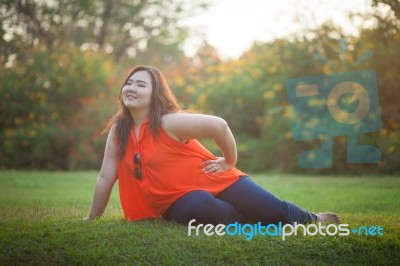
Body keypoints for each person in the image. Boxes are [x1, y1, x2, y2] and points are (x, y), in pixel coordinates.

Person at [86, 65, 340, 225]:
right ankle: (246, 220)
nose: (131, 88)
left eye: (140, 84)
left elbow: (219, 126)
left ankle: (311, 219)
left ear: (156, 95)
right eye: (128, 83)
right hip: (181, 199)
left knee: (272, 210)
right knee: (198, 206)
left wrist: (229, 161)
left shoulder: (169, 122)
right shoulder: (118, 133)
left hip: (219, 179)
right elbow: (106, 177)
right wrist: (92, 218)